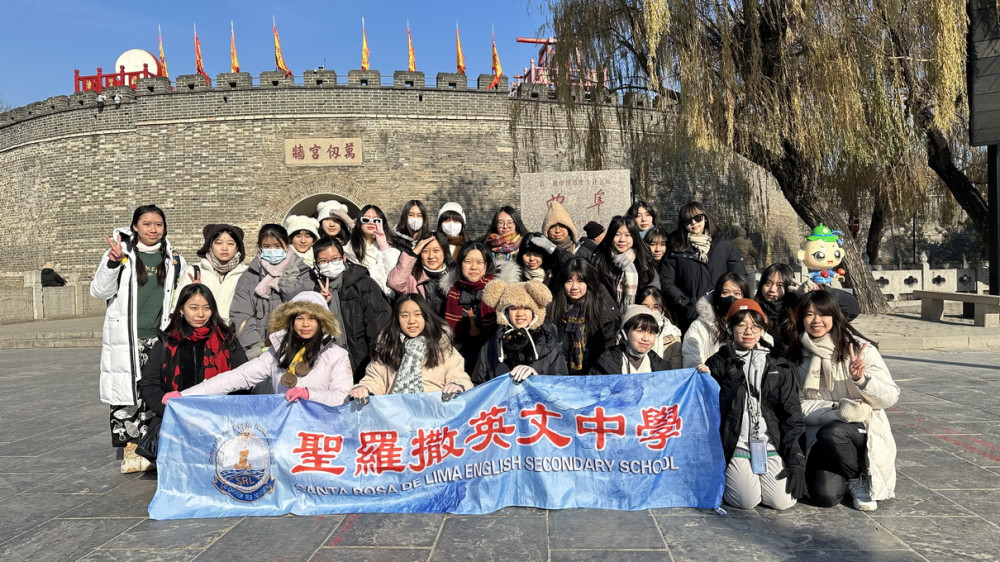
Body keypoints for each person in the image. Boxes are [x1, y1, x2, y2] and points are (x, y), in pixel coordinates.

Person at [90, 204, 185, 473]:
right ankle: (130, 448)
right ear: (135, 226)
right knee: (127, 394)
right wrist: (112, 263)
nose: (153, 229)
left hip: (160, 339)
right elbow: (99, 291)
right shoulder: (121, 254)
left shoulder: (174, 259)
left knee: (156, 392)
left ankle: (154, 446)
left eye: (158, 224)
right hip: (127, 338)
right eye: (146, 224)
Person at [789, 290, 899, 511]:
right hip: (821, 435)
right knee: (826, 497)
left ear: (834, 316)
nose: (816, 320)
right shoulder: (797, 354)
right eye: (809, 314)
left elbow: (890, 397)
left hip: (862, 429)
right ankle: (846, 470)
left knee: (835, 432)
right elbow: (797, 404)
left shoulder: (858, 349)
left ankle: (859, 478)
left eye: (823, 314)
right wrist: (837, 409)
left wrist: (861, 380)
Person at [698, 299, 806, 511]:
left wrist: (796, 461)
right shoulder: (717, 362)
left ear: (763, 329)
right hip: (735, 443)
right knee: (746, 501)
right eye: (741, 325)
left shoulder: (779, 364)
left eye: (755, 326)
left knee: (781, 501)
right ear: (730, 327)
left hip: (769, 443)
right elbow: (710, 413)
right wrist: (720, 382)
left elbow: (792, 414)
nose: (749, 332)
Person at [165, 291, 353, 407]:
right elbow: (238, 377)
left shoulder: (337, 355)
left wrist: (309, 394)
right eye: (299, 318)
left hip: (321, 435)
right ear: (291, 321)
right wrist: (185, 395)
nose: (305, 324)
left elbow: (342, 397)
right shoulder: (278, 352)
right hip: (285, 429)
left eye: (312, 318)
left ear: (322, 322)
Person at [138, 284, 248, 460]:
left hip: (220, 424)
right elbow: (149, 384)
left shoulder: (227, 341)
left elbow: (243, 380)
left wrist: (228, 411)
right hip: (177, 424)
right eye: (194, 308)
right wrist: (170, 410)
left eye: (207, 308)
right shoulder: (167, 343)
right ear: (181, 309)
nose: (201, 314)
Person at [349, 293, 472, 401]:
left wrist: (456, 385)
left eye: (417, 314)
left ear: (426, 317)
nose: (411, 321)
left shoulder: (442, 347)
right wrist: (364, 389)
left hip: (435, 411)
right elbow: (375, 379)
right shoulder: (386, 347)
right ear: (397, 319)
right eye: (405, 316)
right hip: (397, 413)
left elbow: (460, 377)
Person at [312, 237, 391, 382]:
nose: (330, 264)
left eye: (335, 259)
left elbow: (379, 326)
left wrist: (376, 364)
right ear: (316, 264)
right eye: (323, 261)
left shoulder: (364, 284)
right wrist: (322, 304)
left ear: (343, 258)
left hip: (365, 363)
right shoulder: (314, 291)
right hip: (331, 367)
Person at [229, 224, 313, 359]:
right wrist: (256, 346)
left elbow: (305, 305)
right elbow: (241, 313)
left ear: (287, 246)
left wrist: (289, 279)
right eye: (267, 246)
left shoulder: (302, 271)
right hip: (261, 348)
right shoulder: (250, 275)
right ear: (260, 247)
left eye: (277, 246)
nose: (272, 250)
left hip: (297, 346)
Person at [663, 201, 747, 331]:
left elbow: (739, 276)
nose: (693, 223)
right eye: (688, 220)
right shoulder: (676, 249)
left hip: (722, 311)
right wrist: (685, 302)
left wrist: (729, 299)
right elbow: (667, 281)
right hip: (691, 314)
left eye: (698, 218)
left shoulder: (724, 246)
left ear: (705, 218)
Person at [473, 279, 567, 383]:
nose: (520, 314)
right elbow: (478, 385)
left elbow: (561, 386)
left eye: (526, 308)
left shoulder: (552, 347)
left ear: (535, 312)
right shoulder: (489, 347)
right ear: (506, 312)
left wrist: (536, 378)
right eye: (513, 308)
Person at [548, 258, 618, 376]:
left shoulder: (602, 308)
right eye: (569, 281)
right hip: (559, 371)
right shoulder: (552, 307)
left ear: (589, 282)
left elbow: (608, 346)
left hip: (593, 371)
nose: (574, 287)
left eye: (580, 281)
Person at [175, 224, 248, 324]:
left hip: (234, 331)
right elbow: (178, 306)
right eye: (219, 243)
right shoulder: (194, 271)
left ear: (237, 248)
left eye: (230, 244)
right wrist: (193, 292)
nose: (224, 248)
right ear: (210, 245)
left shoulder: (247, 274)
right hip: (202, 330)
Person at [444, 243, 499, 374]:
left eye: (480, 262)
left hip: (491, 356)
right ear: (460, 264)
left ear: (487, 265)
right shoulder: (451, 292)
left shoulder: (497, 290)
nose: (473, 267)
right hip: (458, 356)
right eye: (468, 261)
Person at [682, 273, 756, 368]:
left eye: (737, 293)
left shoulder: (755, 325)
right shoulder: (699, 326)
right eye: (725, 292)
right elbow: (692, 360)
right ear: (717, 295)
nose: (731, 297)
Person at [591, 215, 659, 310]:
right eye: (617, 235)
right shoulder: (600, 260)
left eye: (627, 235)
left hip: (639, 314)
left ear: (634, 237)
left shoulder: (643, 260)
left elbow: (653, 292)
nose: (622, 240)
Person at [590, 304, 673, 374]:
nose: (646, 338)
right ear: (625, 332)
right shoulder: (606, 362)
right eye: (640, 331)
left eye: (651, 333)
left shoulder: (662, 367)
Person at [386, 231, 454, 317]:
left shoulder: (454, 275)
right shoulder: (412, 277)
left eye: (436, 251)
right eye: (425, 251)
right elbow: (394, 283)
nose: (431, 256)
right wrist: (414, 252)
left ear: (444, 252)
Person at [344, 204, 402, 297]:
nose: (371, 223)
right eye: (366, 220)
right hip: (361, 297)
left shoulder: (392, 246)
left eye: (376, 220)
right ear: (359, 223)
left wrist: (384, 246)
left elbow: (396, 274)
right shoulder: (349, 250)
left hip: (388, 297)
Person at [754, 263, 798, 357]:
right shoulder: (753, 310)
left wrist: (809, 296)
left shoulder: (796, 308)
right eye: (768, 283)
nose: (772, 289)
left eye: (779, 285)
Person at [635, 286, 683, 369]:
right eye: (645, 307)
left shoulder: (673, 335)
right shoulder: (626, 333)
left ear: (662, 309)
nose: (650, 311)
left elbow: (675, 371)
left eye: (656, 307)